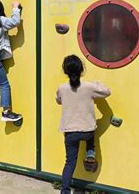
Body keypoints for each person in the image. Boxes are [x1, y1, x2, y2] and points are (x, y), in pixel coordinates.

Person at [56, 55, 111, 194]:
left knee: (69, 163)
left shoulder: (62, 88)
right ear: (81, 70)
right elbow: (107, 92)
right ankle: (90, 152)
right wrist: (97, 83)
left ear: (65, 71)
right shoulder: (89, 87)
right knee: (91, 129)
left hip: (70, 132)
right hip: (87, 131)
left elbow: (58, 100)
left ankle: (65, 191)